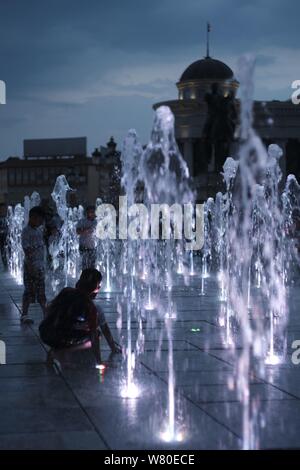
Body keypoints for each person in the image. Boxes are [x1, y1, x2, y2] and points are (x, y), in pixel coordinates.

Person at [39, 268, 120, 367]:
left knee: (69, 326)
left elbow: (49, 309)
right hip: (60, 338)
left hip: (45, 333)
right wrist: (99, 361)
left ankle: (56, 348)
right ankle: (59, 351)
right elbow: (96, 334)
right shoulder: (92, 308)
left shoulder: (66, 291)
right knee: (96, 334)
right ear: (97, 288)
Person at [21, 206, 46, 324]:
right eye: (39, 219)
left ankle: (45, 313)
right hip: (30, 266)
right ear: (32, 217)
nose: (41, 222)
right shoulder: (26, 231)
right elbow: (26, 249)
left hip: (39, 266)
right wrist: (31, 266)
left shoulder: (38, 230)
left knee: (41, 291)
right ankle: (24, 314)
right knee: (29, 291)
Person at [0, 203, 8, 269]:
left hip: (8, 237)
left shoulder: (8, 217)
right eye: (2, 209)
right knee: (3, 250)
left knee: (10, 250)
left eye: (4, 208)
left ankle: (10, 264)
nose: (4, 210)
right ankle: (5, 264)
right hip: (2, 238)